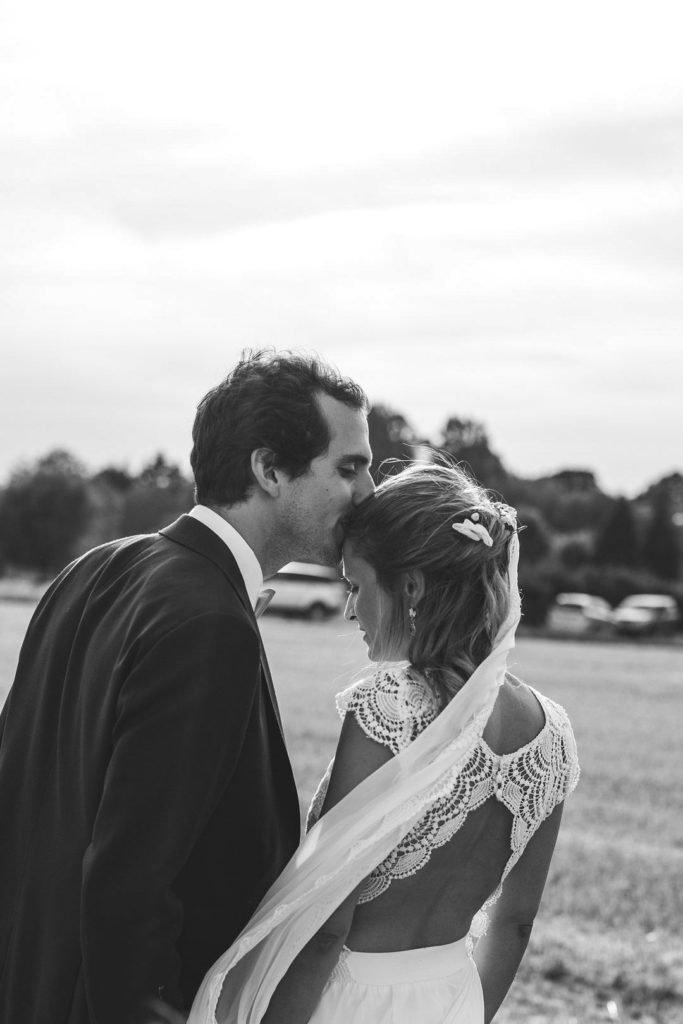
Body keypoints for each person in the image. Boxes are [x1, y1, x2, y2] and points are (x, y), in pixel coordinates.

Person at [0, 349, 374, 1024]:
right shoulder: (208, 624)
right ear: (268, 470)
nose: (368, 491)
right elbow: (130, 884)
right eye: (348, 467)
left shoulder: (89, 570)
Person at [188, 461, 580, 1024]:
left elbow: (327, 926)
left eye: (355, 584)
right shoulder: (554, 731)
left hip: (346, 1000)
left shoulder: (389, 710)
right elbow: (517, 921)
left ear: (412, 587)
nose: (349, 608)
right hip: (453, 994)